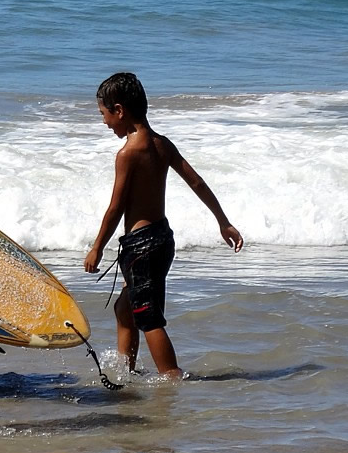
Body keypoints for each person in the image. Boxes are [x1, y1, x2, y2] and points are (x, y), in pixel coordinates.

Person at [83, 72, 244, 380]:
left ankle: (171, 377)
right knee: (125, 308)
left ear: (119, 110)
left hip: (141, 246)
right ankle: (125, 373)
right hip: (161, 239)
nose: (104, 123)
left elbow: (116, 207)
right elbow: (196, 182)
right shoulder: (162, 144)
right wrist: (223, 222)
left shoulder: (128, 153)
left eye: (103, 115)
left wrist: (96, 247)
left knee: (147, 316)